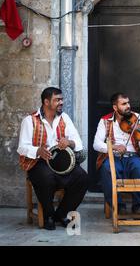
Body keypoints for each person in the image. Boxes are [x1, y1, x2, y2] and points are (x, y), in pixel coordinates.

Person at [17, 87, 88, 230]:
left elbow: (78, 143)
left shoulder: (64, 118)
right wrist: (38, 150)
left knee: (82, 178)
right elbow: (22, 147)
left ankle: (61, 214)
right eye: (57, 100)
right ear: (46, 102)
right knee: (46, 177)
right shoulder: (29, 120)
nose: (61, 102)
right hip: (38, 162)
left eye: (61, 99)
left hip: (61, 162)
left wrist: (69, 142)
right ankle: (49, 214)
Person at [93, 92, 140, 215]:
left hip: (134, 156)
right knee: (107, 168)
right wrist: (114, 147)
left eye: (128, 103)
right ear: (115, 107)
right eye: (124, 104)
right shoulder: (105, 121)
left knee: (138, 167)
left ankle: (138, 205)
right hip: (114, 157)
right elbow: (96, 144)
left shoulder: (137, 118)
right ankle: (118, 205)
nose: (128, 106)